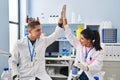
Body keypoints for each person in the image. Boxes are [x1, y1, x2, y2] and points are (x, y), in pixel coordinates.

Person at [8, 7, 65, 80]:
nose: (40, 32)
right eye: (37, 30)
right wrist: (15, 76)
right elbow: (12, 61)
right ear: (29, 31)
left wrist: (60, 24)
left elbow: (55, 35)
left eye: (40, 30)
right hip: (25, 76)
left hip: (40, 76)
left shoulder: (43, 41)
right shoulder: (19, 44)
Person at [61, 5, 104, 80]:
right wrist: (64, 19)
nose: (79, 40)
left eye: (82, 39)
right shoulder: (79, 45)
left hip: (90, 74)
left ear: (89, 40)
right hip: (77, 72)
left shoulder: (99, 51)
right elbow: (69, 35)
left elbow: (98, 65)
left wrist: (87, 67)